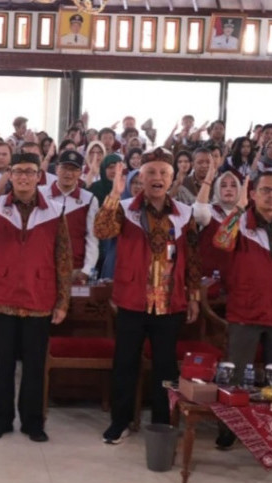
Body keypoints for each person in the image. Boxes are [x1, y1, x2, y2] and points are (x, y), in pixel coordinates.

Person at [94, 147, 201, 444]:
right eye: (151, 172)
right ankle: (120, 421)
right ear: (140, 177)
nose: (157, 178)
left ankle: (162, 422)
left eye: (163, 173)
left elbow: (193, 258)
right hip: (132, 299)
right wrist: (114, 194)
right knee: (125, 362)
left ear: (171, 179)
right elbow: (101, 230)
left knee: (165, 368)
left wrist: (193, 296)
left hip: (170, 303)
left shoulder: (184, 214)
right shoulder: (125, 209)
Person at [0, 153, 72, 442]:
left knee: (34, 366)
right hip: (2, 295)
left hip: (40, 297)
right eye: (18, 172)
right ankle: (0, 420)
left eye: (29, 172)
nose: (24, 177)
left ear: (40, 176)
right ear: (10, 176)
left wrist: (63, 300)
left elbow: (63, 258)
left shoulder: (54, 210)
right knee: (2, 365)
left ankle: (32, 422)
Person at [213, 172, 272, 448]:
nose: (271, 196)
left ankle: (269, 432)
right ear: (253, 194)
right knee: (233, 377)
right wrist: (239, 209)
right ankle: (228, 431)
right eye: (265, 190)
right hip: (245, 311)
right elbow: (220, 242)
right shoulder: (238, 223)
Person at [39, 150, 99, 283]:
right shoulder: (40, 194)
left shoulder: (89, 199)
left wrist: (87, 269)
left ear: (80, 173)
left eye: (73, 169)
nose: (68, 173)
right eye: (65, 168)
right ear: (56, 169)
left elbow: (92, 237)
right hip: (43, 266)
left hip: (75, 269)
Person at [192, 157, 242, 292]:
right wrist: (208, 180)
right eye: (223, 185)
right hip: (209, 285)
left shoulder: (245, 217)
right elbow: (198, 213)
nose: (229, 189)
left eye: (233, 185)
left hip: (237, 284)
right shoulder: (210, 210)